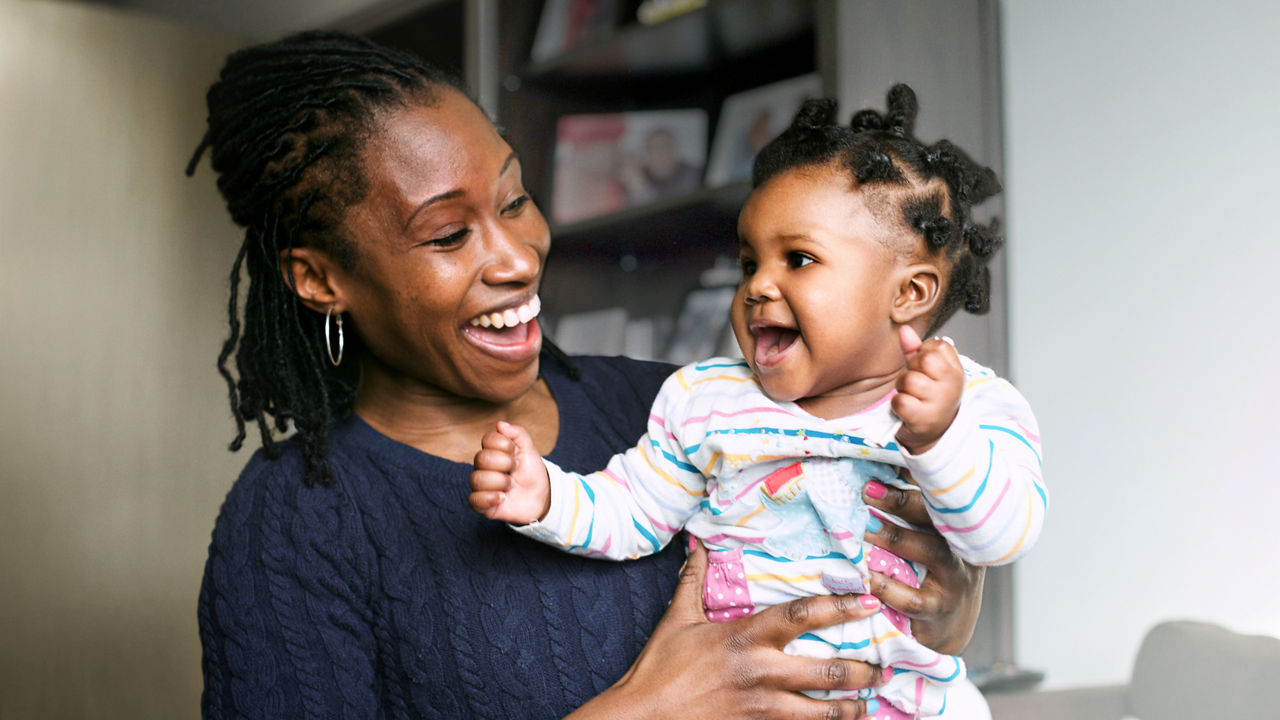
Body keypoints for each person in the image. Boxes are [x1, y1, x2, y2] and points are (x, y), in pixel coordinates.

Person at [190, 30, 989, 720]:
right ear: (321, 278)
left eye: (514, 200)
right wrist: (647, 708)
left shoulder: (674, 407)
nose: (515, 256)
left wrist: (948, 607)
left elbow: (877, 581)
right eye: (445, 236)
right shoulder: (295, 523)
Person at [470, 87, 1046, 719]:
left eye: (798, 259)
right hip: (748, 700)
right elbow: (635, 509)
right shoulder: (707, 399)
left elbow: (1001, 538)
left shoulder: (972, 404)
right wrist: (547, 497)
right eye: (749, 262)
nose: (757, 287)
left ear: (908, 293)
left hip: (905, 703)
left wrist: (940, 439)